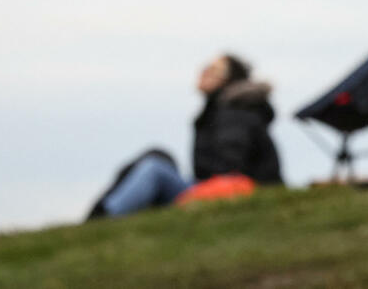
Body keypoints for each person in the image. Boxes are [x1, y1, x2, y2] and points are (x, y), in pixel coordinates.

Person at [87, 54, 282, 218]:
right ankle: (103, 211)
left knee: (154, 169)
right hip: (215, 185)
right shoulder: (220, 111)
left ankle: (104, 217)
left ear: (228, 80)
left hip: (236, 189)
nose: (203, 72)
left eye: (213, 70)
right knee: (157, 156)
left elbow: (229, 168)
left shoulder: (232, 114)